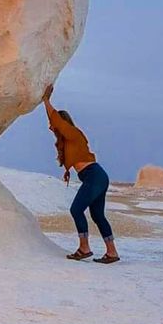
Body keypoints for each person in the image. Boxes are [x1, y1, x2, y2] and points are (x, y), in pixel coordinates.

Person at [41, 84, 119, 263]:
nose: (51, 128)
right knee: (98, 216)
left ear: (63, 124)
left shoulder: (73, 133)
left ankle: (84, 248)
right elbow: (55, 123)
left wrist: (46, 101)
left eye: (53, 125)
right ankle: (112, 253)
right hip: (96, 176)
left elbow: (57, 121)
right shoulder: (67, 141)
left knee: (76, 210)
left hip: (94, 176)